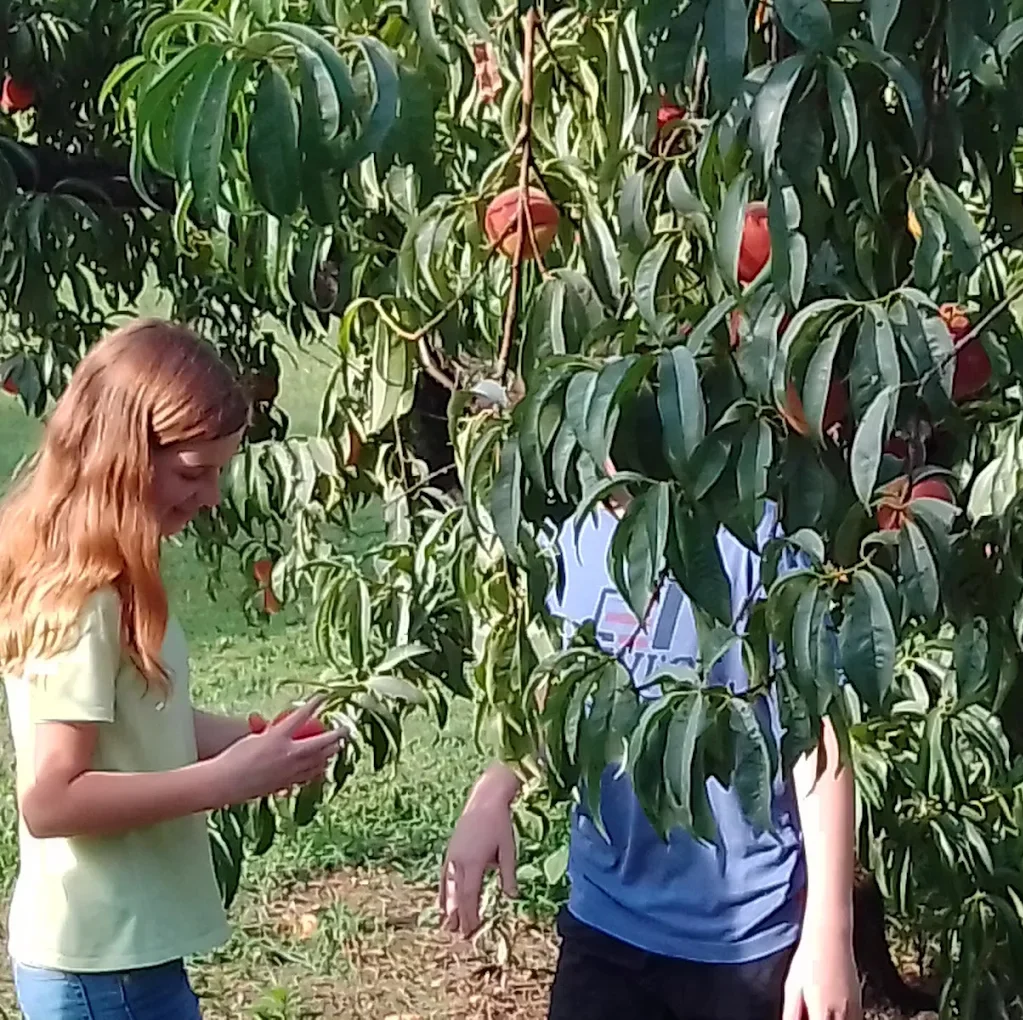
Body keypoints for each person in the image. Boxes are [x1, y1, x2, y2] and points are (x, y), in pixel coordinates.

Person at [0, 319, 345, 1020]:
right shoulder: (86, 597)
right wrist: (226, 780)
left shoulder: (107, 577)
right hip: (101, 965)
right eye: (194, 472)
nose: (212, 495)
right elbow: (51, 799)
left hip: (122, 954)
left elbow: (134, 721)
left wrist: (250, 738)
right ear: (121, 458)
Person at [440, 500, 861, 1020]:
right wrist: (495, 790)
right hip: (605, 922)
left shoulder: (754, 533)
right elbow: (561, 703)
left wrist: (830, 933)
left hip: (741, 939)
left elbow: (816, 735)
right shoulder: (572, 534)